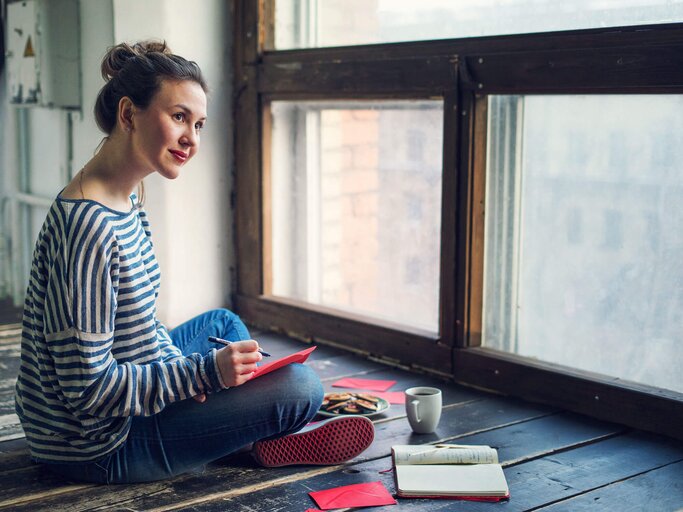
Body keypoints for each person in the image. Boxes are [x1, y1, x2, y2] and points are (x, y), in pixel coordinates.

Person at [14, 41, 374, 484]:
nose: (192, 139)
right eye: (179, 117)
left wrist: (197, 377)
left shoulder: (125, 196)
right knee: (303, 388)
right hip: (96, 445)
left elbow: (138, 329)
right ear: (129, 115)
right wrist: (200, 375)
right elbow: (87, 391)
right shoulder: (88, 227)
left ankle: (246, 427)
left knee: (221, 325)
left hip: (119, 403)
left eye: (199, 124)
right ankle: (253, 435)